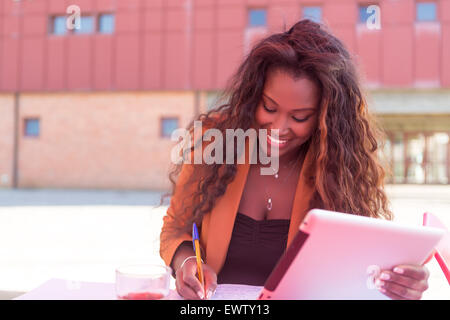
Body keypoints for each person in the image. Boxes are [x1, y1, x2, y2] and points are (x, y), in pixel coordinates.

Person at [159, 19, 430, 300]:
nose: (278, 128)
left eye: (300, 117)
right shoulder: (217, 141)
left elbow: (365, 266)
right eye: (269, 107)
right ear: (254, 96)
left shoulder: (339, 169)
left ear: (326, 117)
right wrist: (186, 262)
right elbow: (175, 228)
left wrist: (401, 281)